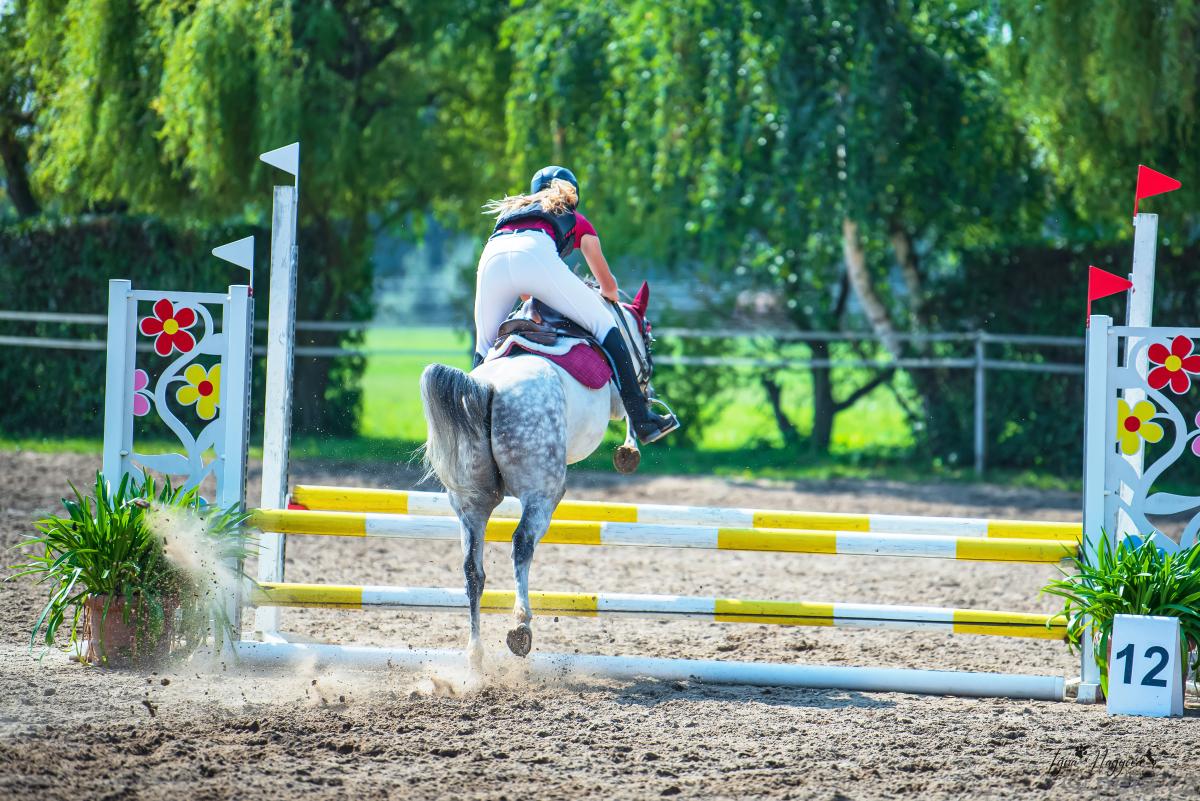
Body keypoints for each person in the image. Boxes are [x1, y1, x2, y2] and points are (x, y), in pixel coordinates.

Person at [473, 165, 679, 444]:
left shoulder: (513, 213)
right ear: (573, 196)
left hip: (492, 257)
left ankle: (472, 430)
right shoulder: (576, 219)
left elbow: (525, 294)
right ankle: (642, 420)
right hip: (533, 254)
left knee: (484, 347)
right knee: (605, 325)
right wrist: (603, 293)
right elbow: (609, 288)